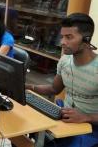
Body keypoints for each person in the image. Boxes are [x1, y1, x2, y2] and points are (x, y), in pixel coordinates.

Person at [26, 13, 98, 147]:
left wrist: (86, 117)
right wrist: (28, 87)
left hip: (91, 128)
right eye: (62, 36)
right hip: (66, 119)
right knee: (27, 125)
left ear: (86, 39)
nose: (62, 42)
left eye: (69, 37)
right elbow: (54, 89)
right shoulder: (65, 60)